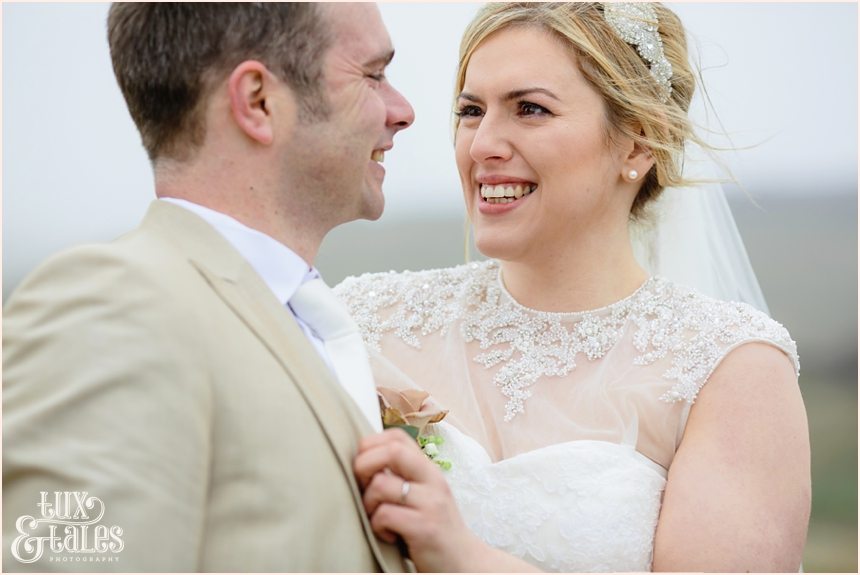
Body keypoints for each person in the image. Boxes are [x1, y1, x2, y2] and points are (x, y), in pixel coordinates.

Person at [338, 2, 810, 572]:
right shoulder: (361, 322)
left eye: (530, 109)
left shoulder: (728, 368)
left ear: (639, 145)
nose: (482, 144)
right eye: (471, 111)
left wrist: (462, 555)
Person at [2, 3, 413, 572]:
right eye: (373, 74)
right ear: (258, 101)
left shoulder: (304, 316)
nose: (403, 110)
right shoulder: (114, 308)